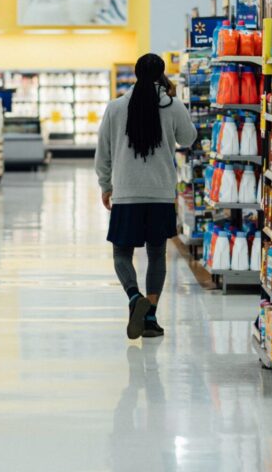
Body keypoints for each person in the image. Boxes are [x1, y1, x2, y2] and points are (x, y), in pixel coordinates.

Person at [95, 53, 197, 339]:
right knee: (156, 254)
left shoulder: (116, 108)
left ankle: (133, 297)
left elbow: (102, 152)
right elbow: (188, 139)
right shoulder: (172, 105)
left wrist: (105, 185)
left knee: (121, 253)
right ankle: (150, 317)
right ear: (162, 74)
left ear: (136, 73)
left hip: (126, 192)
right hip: (161, 193)